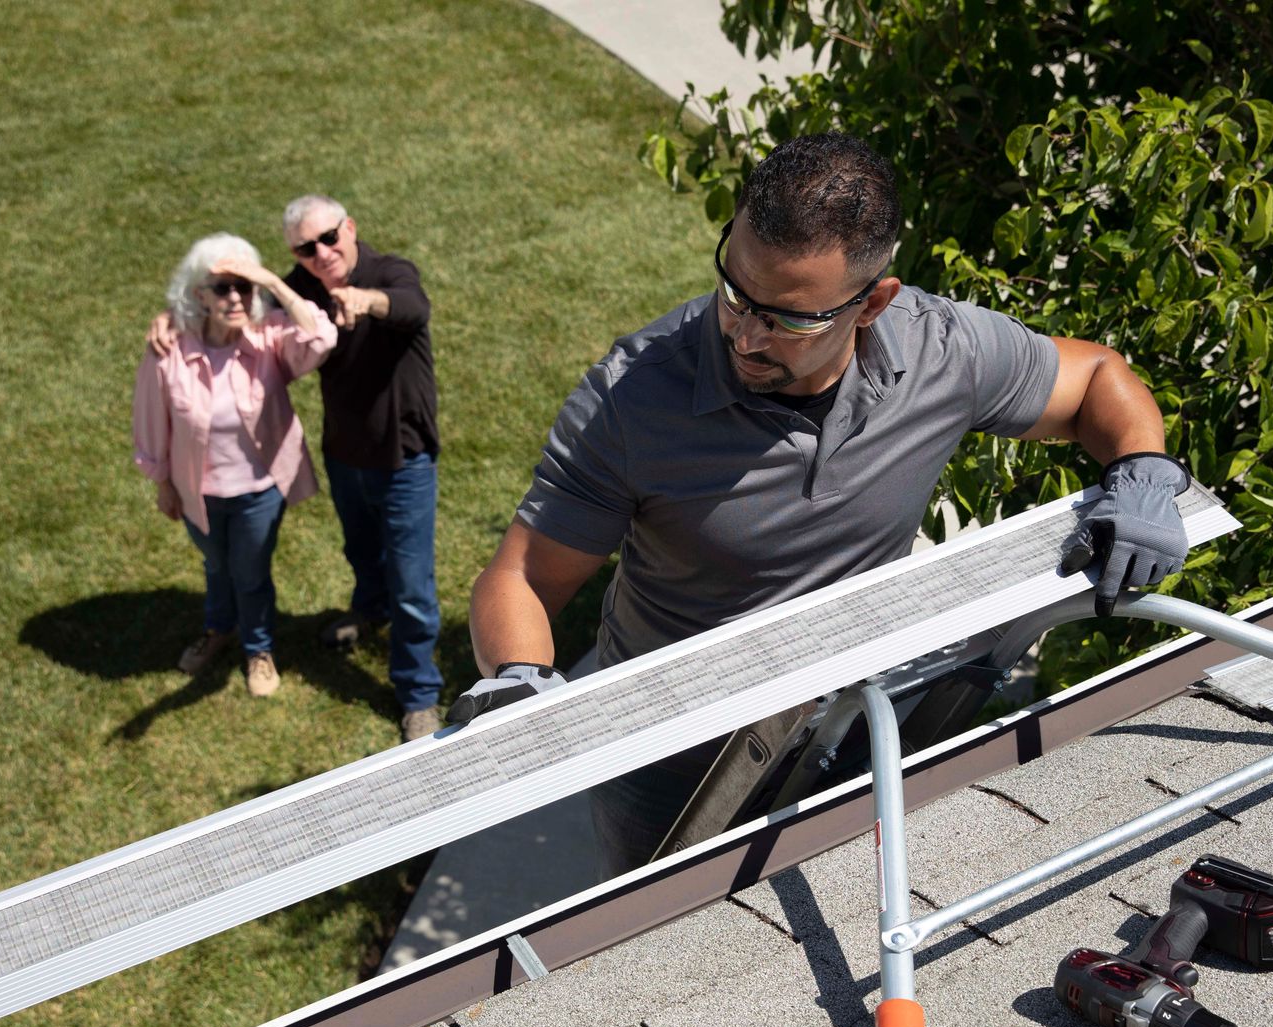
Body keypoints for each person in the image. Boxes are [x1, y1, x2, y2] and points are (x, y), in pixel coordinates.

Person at [448, 132, 1193, 863]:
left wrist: (1143, 469)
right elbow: (522, 576)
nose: (744, 336)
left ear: (872, 305)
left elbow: (1095, 377)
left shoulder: (940, 351)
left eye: (790, 319)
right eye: (736, 292)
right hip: (668, 764)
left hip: (851, 727)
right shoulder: (633, 400)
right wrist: (518, 680)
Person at [151, 197, 444, 741]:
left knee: (412, 582)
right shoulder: (306, 283)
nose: (322, 253)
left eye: (330, 238)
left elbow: (412, 308)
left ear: (350, 227)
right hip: (344, 453)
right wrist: (171, 317)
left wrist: (365, 300)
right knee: (361, 549)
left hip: (404, 455)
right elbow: (234, 302)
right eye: (305, 249)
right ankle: (368, 610)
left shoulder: (390, 271)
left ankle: (419, 694)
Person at [133, 233, 336, 697]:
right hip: (195, 490)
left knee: (249, 571)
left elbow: (322, 337)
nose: (236, 297)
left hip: (260, 490)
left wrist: (271, 282)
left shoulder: (269, 338)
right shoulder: (169, 349)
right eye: (222, 287)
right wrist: (163, 481)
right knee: (216, 565)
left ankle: (258, 649)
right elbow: (152, 419)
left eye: (244, 287)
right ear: (198, 294)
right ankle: (219, 629)